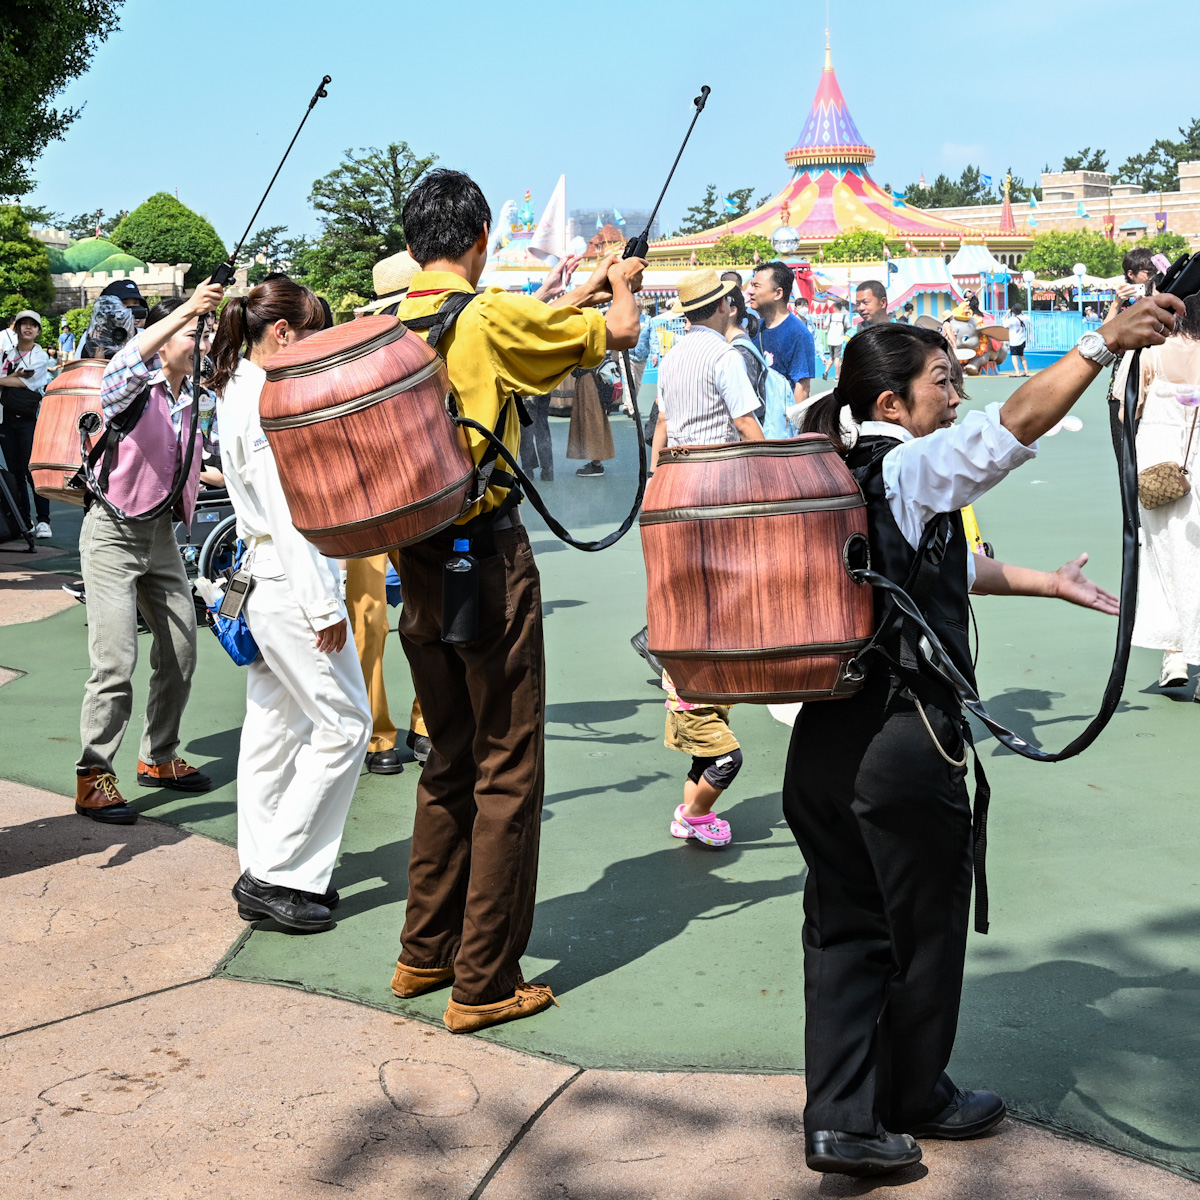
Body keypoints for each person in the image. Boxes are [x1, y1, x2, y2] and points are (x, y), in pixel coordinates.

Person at [790, 293, 1180, 1176]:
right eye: (942, 382)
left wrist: (1044, 582)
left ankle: (841, 1118)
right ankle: (915, 1095)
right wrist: (1100, 342)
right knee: (925, 930)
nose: (955, 396)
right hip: (899, 746)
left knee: (844, 933)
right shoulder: (908, 465)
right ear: (892, 404)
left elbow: (931, 563)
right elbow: (1011, 426)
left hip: (821, 746)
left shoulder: (835, 474)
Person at [391, 168, 644, 1032]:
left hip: (412, 559)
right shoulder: (490, 315)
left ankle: (423, 954)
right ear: (479, 241)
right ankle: (485, 981)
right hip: (487, 560)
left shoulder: (386, 323)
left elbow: (542, 318)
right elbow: (615, 334)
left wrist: (573, 288)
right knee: (508, 764)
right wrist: (619, 286)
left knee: (449, 756)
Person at [208, 276, 372, 932]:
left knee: (272, 733)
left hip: (263, 582)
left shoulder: (236, 389)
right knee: (345, 726)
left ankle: (269, 864)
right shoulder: (268, 400)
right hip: (289, 581)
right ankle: (277, 872)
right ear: (283, 333)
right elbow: (289, 508)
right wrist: (324, 605)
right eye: (311, 334)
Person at [77, 288, 224, 825]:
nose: (202, 340)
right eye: (193, 333)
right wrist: (184, 310)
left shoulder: (196, 397)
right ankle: (94, 774)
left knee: (182, 651)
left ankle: (158, 757)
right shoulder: (129, 387)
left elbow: (195, 462)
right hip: (111, 533)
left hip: (161, 536)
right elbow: (126, 361)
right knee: (116, 662)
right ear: (161, 344)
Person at [1131, 293, 1200, 695]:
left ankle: (1174, 653)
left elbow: (1127, 410)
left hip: (1160, 469)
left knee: (1165, 560)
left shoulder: (1151, 351)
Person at [0, 310, 53, 538]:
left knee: (34, 471)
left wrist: (12, 380)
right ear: (17, 328)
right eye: (23, 324)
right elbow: (15, 380)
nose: (28, 328)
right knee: (15, 472)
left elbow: (26, 383)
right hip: (6, 419)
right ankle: (24, 520)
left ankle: (44, 521)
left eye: (33, 325)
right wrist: (12, 379)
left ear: (38, 331)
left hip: (30, 420)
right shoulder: (6, 354)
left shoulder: (40, 356)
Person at [747, 260, 816, 402]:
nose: (750, 291)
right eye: (751, 285)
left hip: (780, 419)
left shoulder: (798, 333)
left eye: (756, 286)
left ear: (778, 293)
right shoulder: (755, 328)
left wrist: (790, 423)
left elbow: (802, 388)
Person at [824, 300, 849, 379]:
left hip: (830, 340)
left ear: (834, 308)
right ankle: (837, 376)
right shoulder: (844, 317)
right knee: (837, 358)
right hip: (839, 340)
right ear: (841, 308)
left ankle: (826, 372)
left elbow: (824, 326)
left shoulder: (830, 316)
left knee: (831, 357)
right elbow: (848, 327)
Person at [1005, 303, 1030, 376]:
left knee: (1014, 356)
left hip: (1014, 341)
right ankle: (1026, 371)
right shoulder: (1025, 318)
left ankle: (1017, 372)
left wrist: (1006, 314)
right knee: (1021, 355)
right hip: (1022, 340)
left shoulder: (1012, 319)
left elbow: (1004, 324)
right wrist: (1021, 312)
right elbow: (1027, 317)